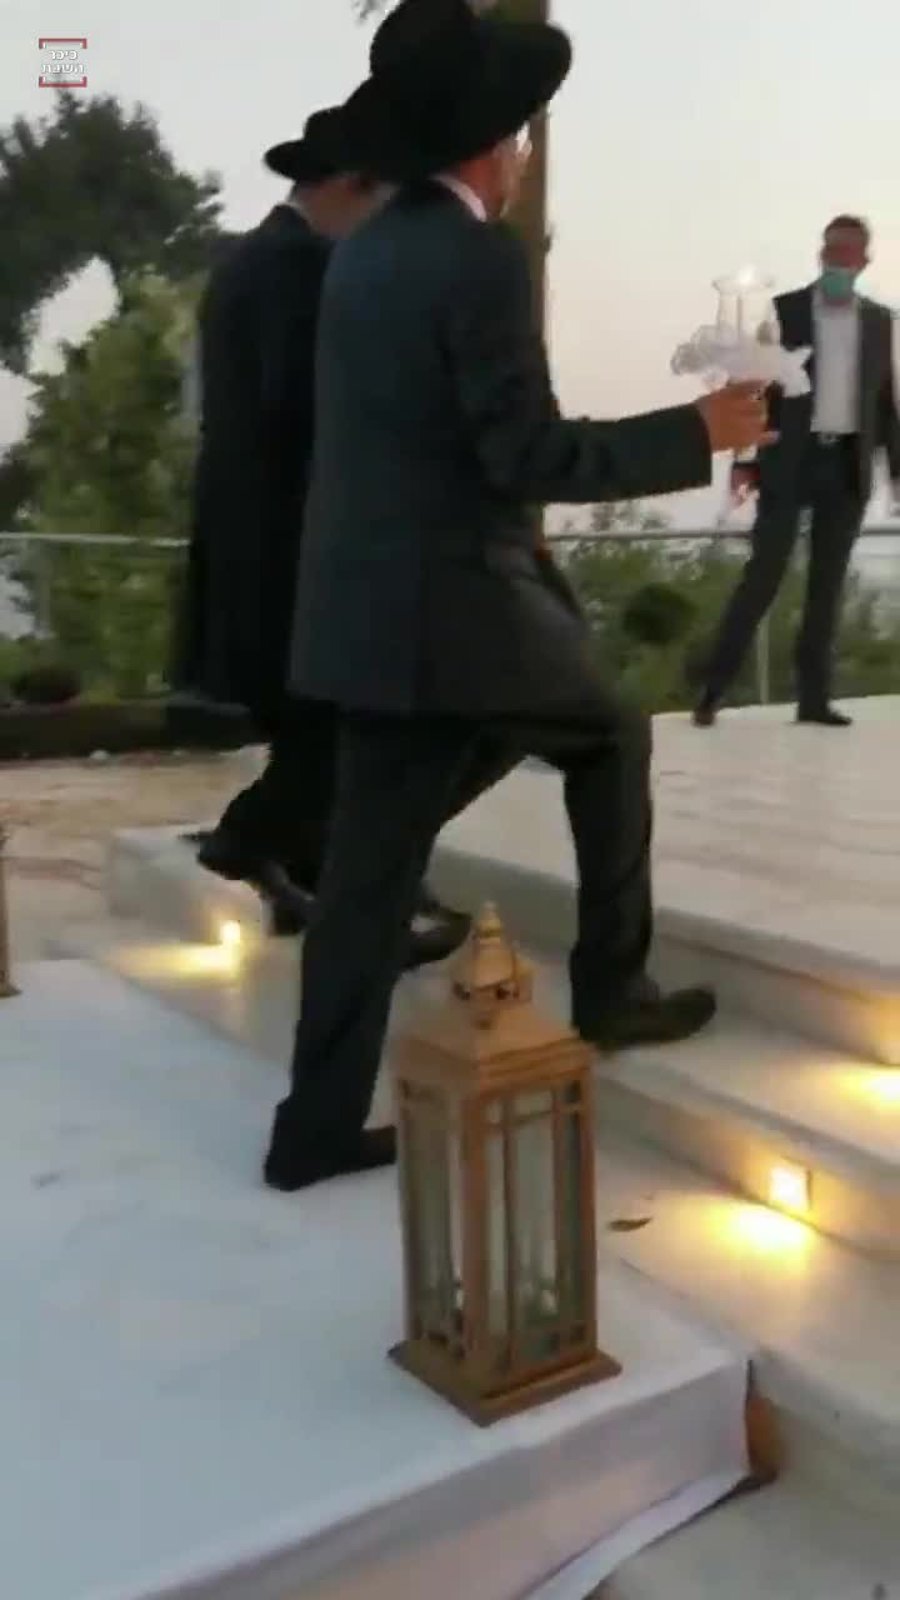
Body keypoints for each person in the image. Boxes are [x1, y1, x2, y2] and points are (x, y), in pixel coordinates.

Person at [263, 0, 771, 1193]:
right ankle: (612, 990)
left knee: (367, 878)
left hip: (363, 616)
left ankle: (314, 1126)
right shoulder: (479, 256)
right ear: (503, 145)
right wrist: (697, 431)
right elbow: (525, 455)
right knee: (611, 734)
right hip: (453, 614)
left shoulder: (364, 252)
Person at [173, 106, 471, 967]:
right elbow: (306, 409)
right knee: (343, 720)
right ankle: (268, 848)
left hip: (260, 533)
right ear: (352, 186)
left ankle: (301, 873)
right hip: (292, 538)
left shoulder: (252, 259)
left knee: (319, 723)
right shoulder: (297, 267)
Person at [694, 215, 900, 728]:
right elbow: (757, 390)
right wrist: (745, 461)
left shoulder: (879, 321)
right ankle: (712, 691)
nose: (837, 261)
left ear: (863, 261)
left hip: (847, 465)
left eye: (847, 253)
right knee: (763, 576)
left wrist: (896, 472)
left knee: (826, 588)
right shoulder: (785, 311)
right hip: (790, 461)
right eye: (831, 250)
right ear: (820, 253)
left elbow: (883, 402)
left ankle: (814, 700)